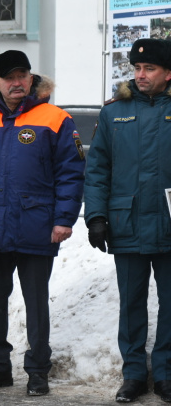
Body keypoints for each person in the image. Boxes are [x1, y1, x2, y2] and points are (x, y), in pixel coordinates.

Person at [0, 50, 85, 397]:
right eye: (9, 78)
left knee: (36, 303)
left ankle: (38, 370)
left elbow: (71, 174)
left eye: (22, 76)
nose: (16, 83)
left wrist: (63, 219)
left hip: (37, 225)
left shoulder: (56, 118)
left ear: (31, 78)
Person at [84, 38, 171, 404]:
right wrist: (97, 216)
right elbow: (98, 168)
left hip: (169, 225)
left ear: (168, 73)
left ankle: (166, 374)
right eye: (136, 69)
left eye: (149, 68)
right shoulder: (113, 112)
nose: (141, 75)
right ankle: (134, 374)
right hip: (127, 221)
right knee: (131, 303)